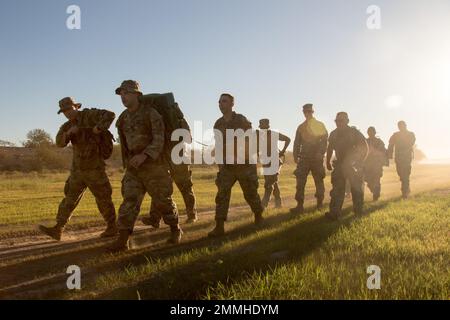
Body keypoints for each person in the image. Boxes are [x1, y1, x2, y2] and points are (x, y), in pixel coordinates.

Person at [108, 80, 182, 252]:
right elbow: (125, 145)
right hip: (134, 167)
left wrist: (145, 155)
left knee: (163, 200)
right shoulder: (123, 118)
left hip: (154, 165)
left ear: (136, 94)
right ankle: (123, 239)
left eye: (126, 93)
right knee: (129, 201)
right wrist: (129, 163)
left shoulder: (151, 113)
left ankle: (175, 230)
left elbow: (159, 139)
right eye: (121, 94)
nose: (123, 97)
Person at [39, 97, 117, 240]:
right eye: (64, 111)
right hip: (78, 170)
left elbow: (110, 115)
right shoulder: (66, 126)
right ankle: (58, 229)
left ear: (76, 106)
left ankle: (112, 227)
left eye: (69, 109)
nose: (67, 113)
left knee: (103, 198)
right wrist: (69, 134)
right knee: (69, 199)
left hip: (94, 168)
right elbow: (59, 142)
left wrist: (97, 128)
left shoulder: (90, 115)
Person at [208, 93, 264, 237]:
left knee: (250, 193)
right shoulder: (218, 124)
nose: (221, 104)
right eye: (219, 102)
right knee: (222, 195)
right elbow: (219, 145)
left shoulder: (241, 120)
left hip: (244, 164)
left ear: (232, 104)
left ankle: (258, 216)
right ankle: (219, 226)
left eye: (224, 101)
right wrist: (220, 164)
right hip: (228, 167)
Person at [325, 112, 368, 220]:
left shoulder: (354, 132)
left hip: (353, 165)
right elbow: (330, 148)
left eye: (341, 121)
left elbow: (365, 147)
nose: (338, 123)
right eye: (336, 121)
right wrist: (328, 162)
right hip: (339, 165)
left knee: (356, 189)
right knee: (337, 190)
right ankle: (334, 213)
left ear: (347, 121)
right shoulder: (333, 134)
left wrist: (360, 161)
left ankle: (358, 213)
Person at [290, 104, 328, 214]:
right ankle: (299, 205)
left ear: (312, 112)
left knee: (319, 181)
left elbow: (325, 140)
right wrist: (295, 155)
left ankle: (319, 204)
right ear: (303, 113)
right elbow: (297, 142)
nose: (307, 113)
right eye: (305, 112)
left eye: (309, 111)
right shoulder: (301, 127)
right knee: (300, 183)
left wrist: (321, 152)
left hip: (316, 159)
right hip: (304, 159)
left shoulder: (319, 125)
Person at [256, 118, 291, 209]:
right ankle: (278, 204)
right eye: (261, 127)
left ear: (267, 126)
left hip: (275, 161)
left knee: (269, 184)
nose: (262, 129)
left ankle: (263, 206)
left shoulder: (273, 134)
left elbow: (288, 139)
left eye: (263, 127)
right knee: (273, 183)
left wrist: (282, 151)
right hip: (266, 162)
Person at [388, 121, 416, 199]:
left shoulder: (411, 134)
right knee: (400, 173)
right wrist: (389, 154)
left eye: (402, 125)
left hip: (406, 158)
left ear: (405, 126)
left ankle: (405, 192)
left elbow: (411, 142)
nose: (400, 127)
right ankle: (406, 187)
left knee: (405, 174)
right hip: (398, 158)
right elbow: (390, 144)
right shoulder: (395, 135)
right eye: (399, 126)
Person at [364, 127, 388, 201]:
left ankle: (376, 196)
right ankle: (375, 191)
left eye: (372, 131)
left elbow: (384, 151)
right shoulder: (365, 141)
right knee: (367, 179)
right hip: (367, 165)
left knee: (376, 180)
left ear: (375, 132)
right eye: (369, 132)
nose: (370, 133)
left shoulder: (379, 142)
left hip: (377, 164)